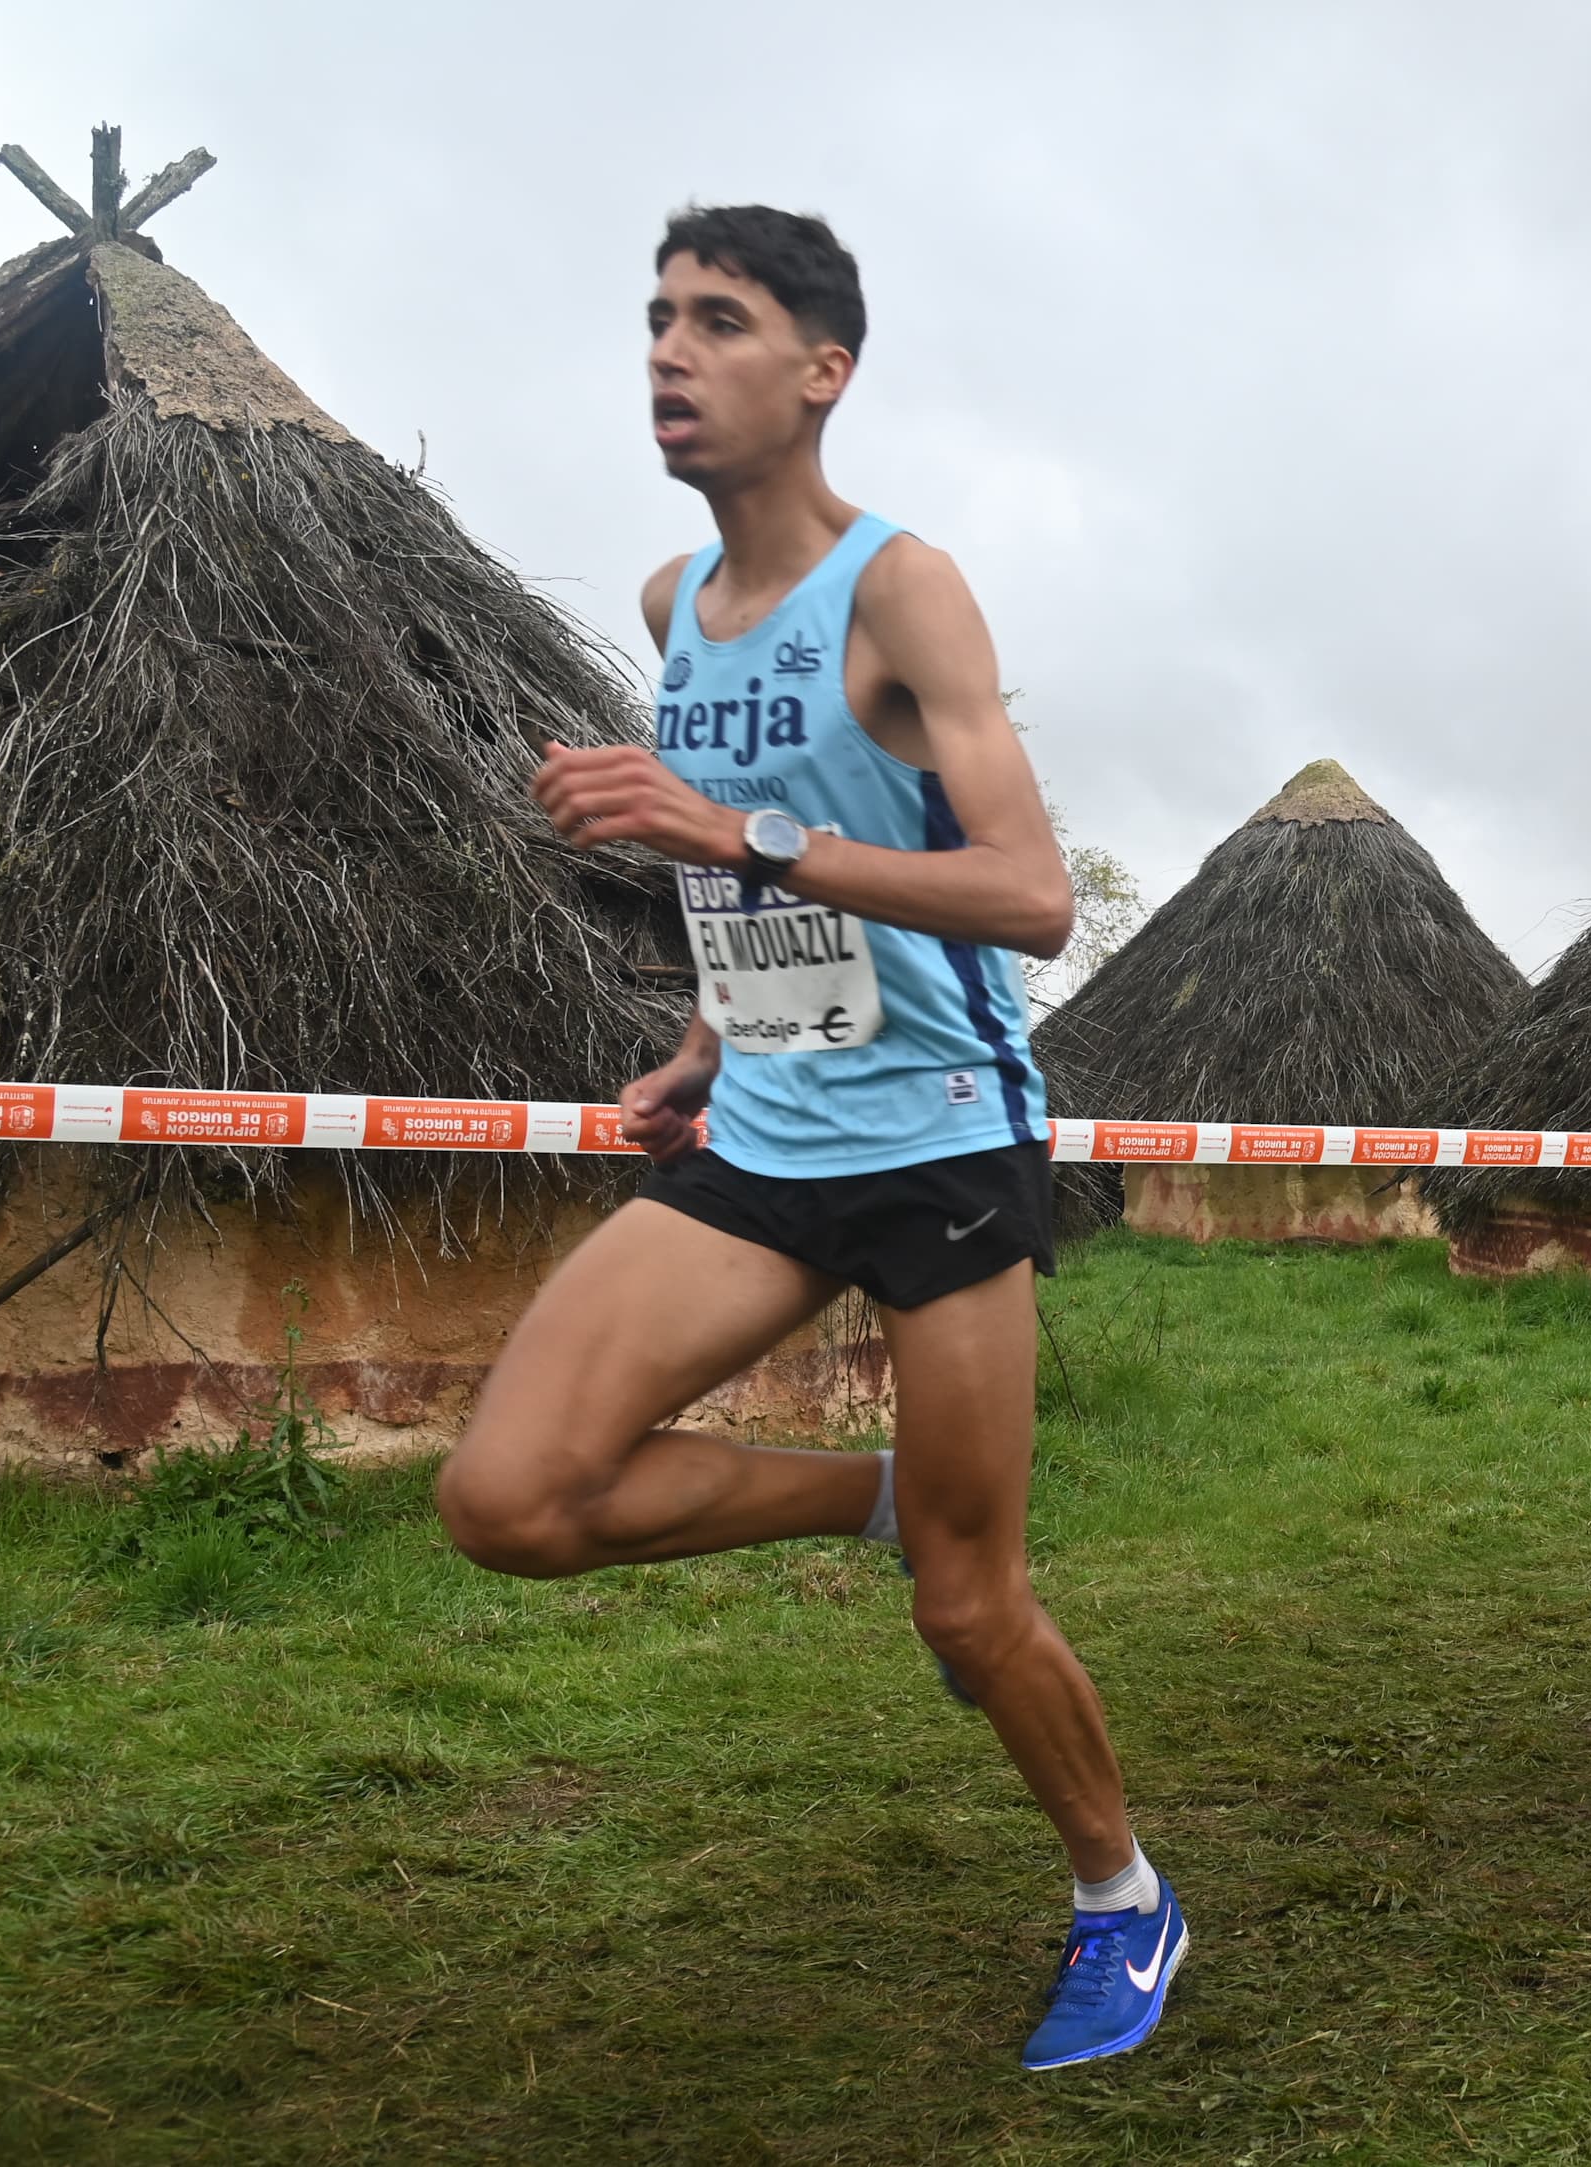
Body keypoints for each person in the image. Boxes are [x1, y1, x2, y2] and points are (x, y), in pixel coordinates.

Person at [433, 207, 1182, 2072]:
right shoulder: (671, 607)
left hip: (942, 1145)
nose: (670, 354)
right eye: (659, 320)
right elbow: (761, 859)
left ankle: (1121, 1894)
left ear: (823, 369)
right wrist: (703, 1035)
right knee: (508, 1499)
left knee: (974, 1602)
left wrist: (724, 839)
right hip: (766, 1132)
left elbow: (1026, 899)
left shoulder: (904, 588)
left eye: (721, 322)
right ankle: (870, 1497)